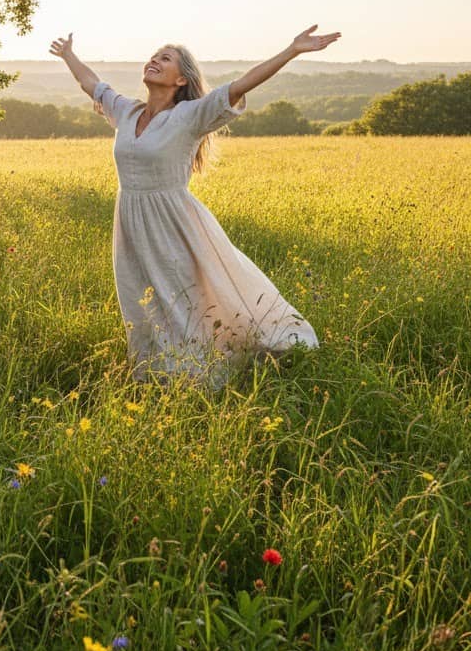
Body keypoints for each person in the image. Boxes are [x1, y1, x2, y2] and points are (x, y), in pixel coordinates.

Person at [50, 26, 340, 384]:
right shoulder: (125, 111)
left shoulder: (190, 115)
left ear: (181, 80)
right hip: (131, 222)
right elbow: (91, 84)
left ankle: (194, 376)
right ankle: (152, 373)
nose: (154, 60)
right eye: (154, 56)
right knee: (140, 297)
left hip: (173, 223)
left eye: (165, 58)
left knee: (182, 299)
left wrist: (292, 50)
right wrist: (68, 55)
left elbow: (241, 85)